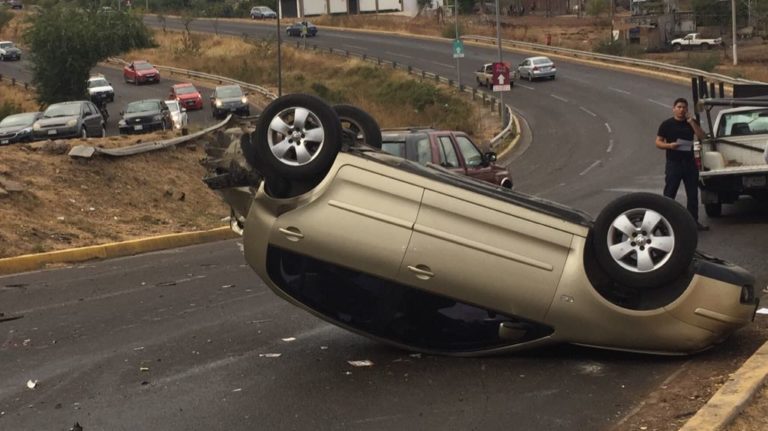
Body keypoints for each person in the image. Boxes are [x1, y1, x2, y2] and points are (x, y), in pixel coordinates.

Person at [656, 97, 709, 231]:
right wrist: (670, 145)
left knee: (692, 194)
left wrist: (692, 122)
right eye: (679, 107)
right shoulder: (667, 124)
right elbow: (658, 142)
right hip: (674, 163)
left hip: (689, 163)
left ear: (687, 109)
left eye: (684, 107)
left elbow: (702, 137)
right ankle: (665, 223)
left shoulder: (691, 123)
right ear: (674, 109)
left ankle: (693, 222)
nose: (681, 110)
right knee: (669, 193)